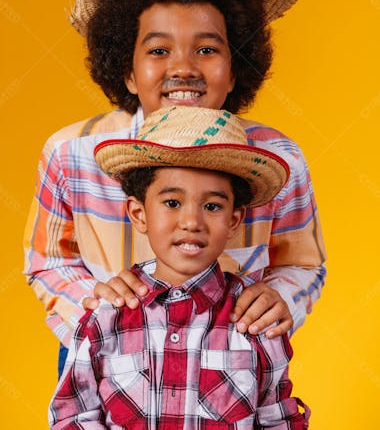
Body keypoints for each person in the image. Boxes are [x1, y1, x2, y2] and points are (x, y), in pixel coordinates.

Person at [23, 0, 326, 370]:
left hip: (229, 365)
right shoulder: (70, 153)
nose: (183, 67)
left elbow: (302, 263)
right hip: (105, 363)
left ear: (237, 66)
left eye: (207, 49)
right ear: (126, 68)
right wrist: (93, 304)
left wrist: (279, 297)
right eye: (159, 50)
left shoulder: (276, 158)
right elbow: (47, 262)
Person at [49, 105, 310, 429]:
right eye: (172, 203)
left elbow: (279, 420)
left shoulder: (253, 321)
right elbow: (73, 416)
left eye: (212, 206)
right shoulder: (106, 317)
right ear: (139, 214)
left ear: (233, 220)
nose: (191, 221)